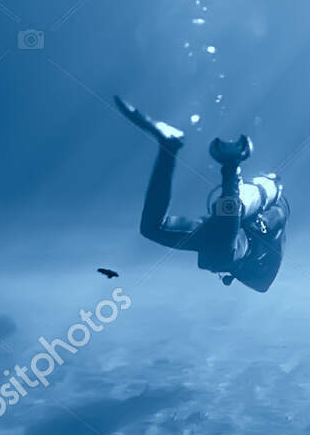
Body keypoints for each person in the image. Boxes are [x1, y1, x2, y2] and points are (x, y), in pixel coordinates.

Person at [114, 96, 288, 292]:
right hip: (237, 229)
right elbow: (262, 280)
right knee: (222, 237)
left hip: (228, 229)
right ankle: (231, 165)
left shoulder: (246, 255)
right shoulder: (274, 221)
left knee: (152, 228)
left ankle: (169, 146)